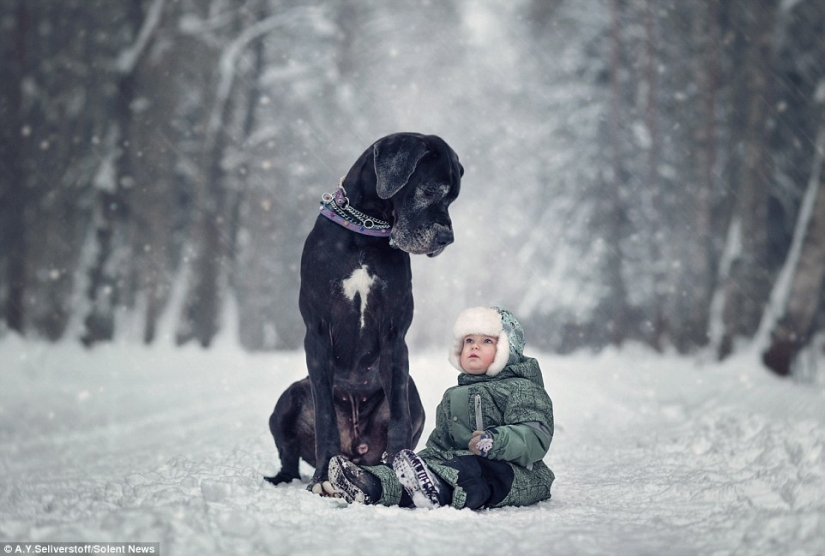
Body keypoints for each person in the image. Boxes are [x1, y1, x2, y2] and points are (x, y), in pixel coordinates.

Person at [326, 306, 555, 510]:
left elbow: (535, 436)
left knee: (472, 472)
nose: (474, 346)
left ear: (507, 349)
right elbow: (440, 445)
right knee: (432, 468)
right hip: (459, 467)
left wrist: (496, 441)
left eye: (487, 341)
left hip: (516, 473)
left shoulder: (522, 388)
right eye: (468, 341)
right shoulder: (453, 396)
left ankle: (433, 487)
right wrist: (423, 462)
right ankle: (370, 484)